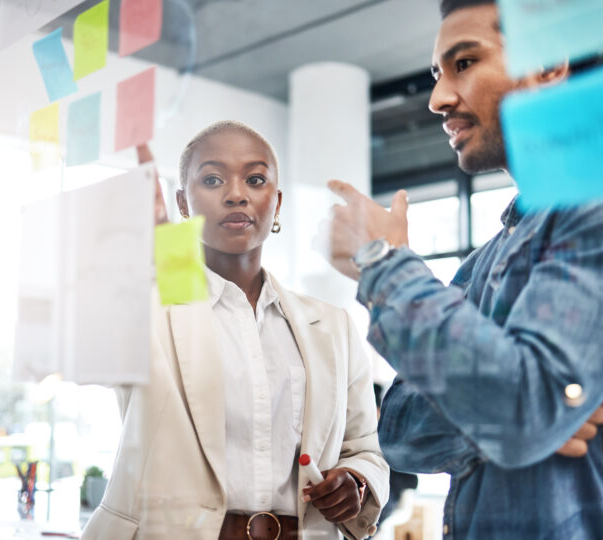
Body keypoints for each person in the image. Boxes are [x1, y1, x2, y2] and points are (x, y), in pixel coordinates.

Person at [318, 0, 603, 538]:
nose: (440, 98)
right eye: (438, 74)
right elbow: (398, 431)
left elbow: (522, 408)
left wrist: (383, 262)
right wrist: (514, 410)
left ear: (549, 65)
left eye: (463, 63)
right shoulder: (485, 259)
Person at [82, 121, 389, 540]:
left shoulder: (332, 326)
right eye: (212, 179)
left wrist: (356, 481)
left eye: (256, 179)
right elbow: (82, 356)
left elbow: (365, 447)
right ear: (183, 203)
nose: (236, 193)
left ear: (276, 203)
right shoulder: (147, 307)